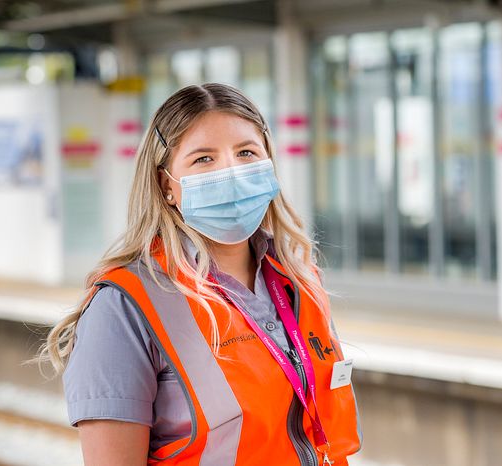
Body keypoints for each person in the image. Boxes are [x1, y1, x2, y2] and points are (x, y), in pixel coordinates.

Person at [36, 83, 362, 465]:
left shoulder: (300, 281)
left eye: (246, 152)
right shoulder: (124, 307)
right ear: (166, 185)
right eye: (204, 159)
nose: (232, 172)